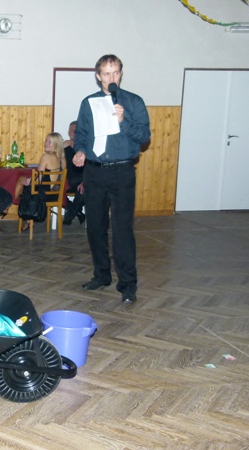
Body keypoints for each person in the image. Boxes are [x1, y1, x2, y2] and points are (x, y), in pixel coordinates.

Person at [72, 54, 151, 304]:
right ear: (98, 76)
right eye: (106, 73)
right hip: (94, 171)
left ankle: (128, 284)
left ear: (121, 74)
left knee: (122, 230)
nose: (111, 77)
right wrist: (80, 151)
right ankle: (102, 275)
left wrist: (124, 121)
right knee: (95, 227)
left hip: (122, 171)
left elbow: (144, 137)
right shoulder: (88, 103)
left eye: (115, 72)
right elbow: (81, 135)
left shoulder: (133, 102)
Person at [16, 132, 65, 231]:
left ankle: (20, 209)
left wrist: (29, 181)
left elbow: (38, 180)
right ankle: (28, 219)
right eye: (46, 141)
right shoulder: (63, 160)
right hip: (55, 195)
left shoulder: (46, 157)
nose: (46, 143)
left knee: (21, 180)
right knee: (25, 183)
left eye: (49, 142)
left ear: (56, 144)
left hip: (42, 196)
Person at [62, 120, 85, 225]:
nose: (74, 132)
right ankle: (77, 211)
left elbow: (90, 167)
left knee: (84, 190)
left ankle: (69, 217)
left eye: (77, 130)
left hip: (80, 180)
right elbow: (53, 159)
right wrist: (61, 146)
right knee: (53, 189)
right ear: (68, 132)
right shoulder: (63, 147)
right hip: (65, 181)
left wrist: (84, 182)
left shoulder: (84, 148)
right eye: (72, 130)